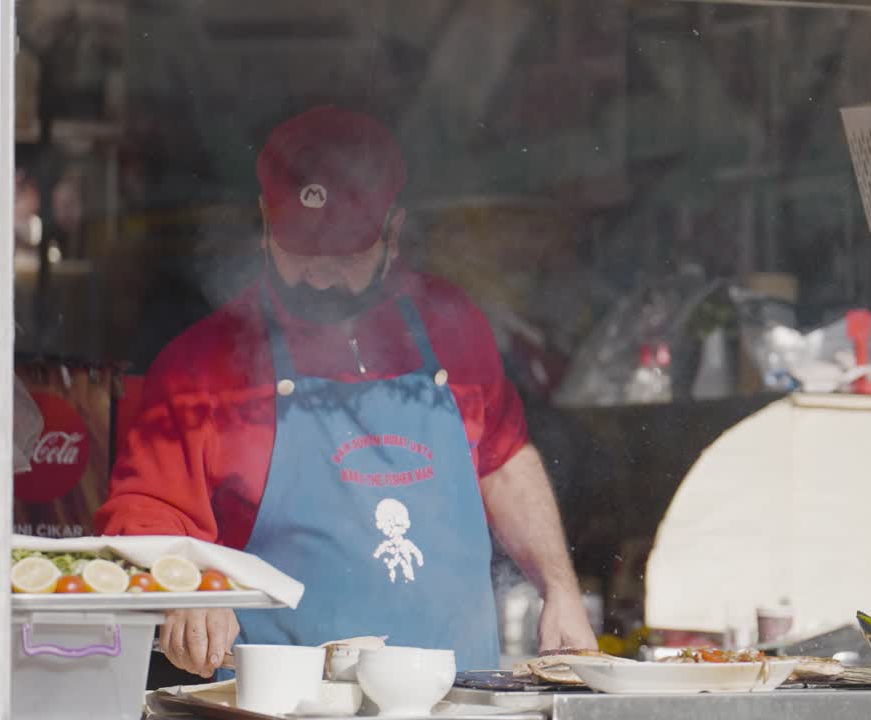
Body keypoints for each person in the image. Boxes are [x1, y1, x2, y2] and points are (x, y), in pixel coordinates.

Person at [96, 106, 596, 679]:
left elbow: (503, 462)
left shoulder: (451, 327)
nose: (320, 276)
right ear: (264, 222)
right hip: (283, 709)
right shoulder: (201, 367)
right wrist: (187, 588)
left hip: (459, 700)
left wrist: (559, 589)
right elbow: (142, 515)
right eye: (301, 251)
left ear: (394, 232)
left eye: (346, 255)